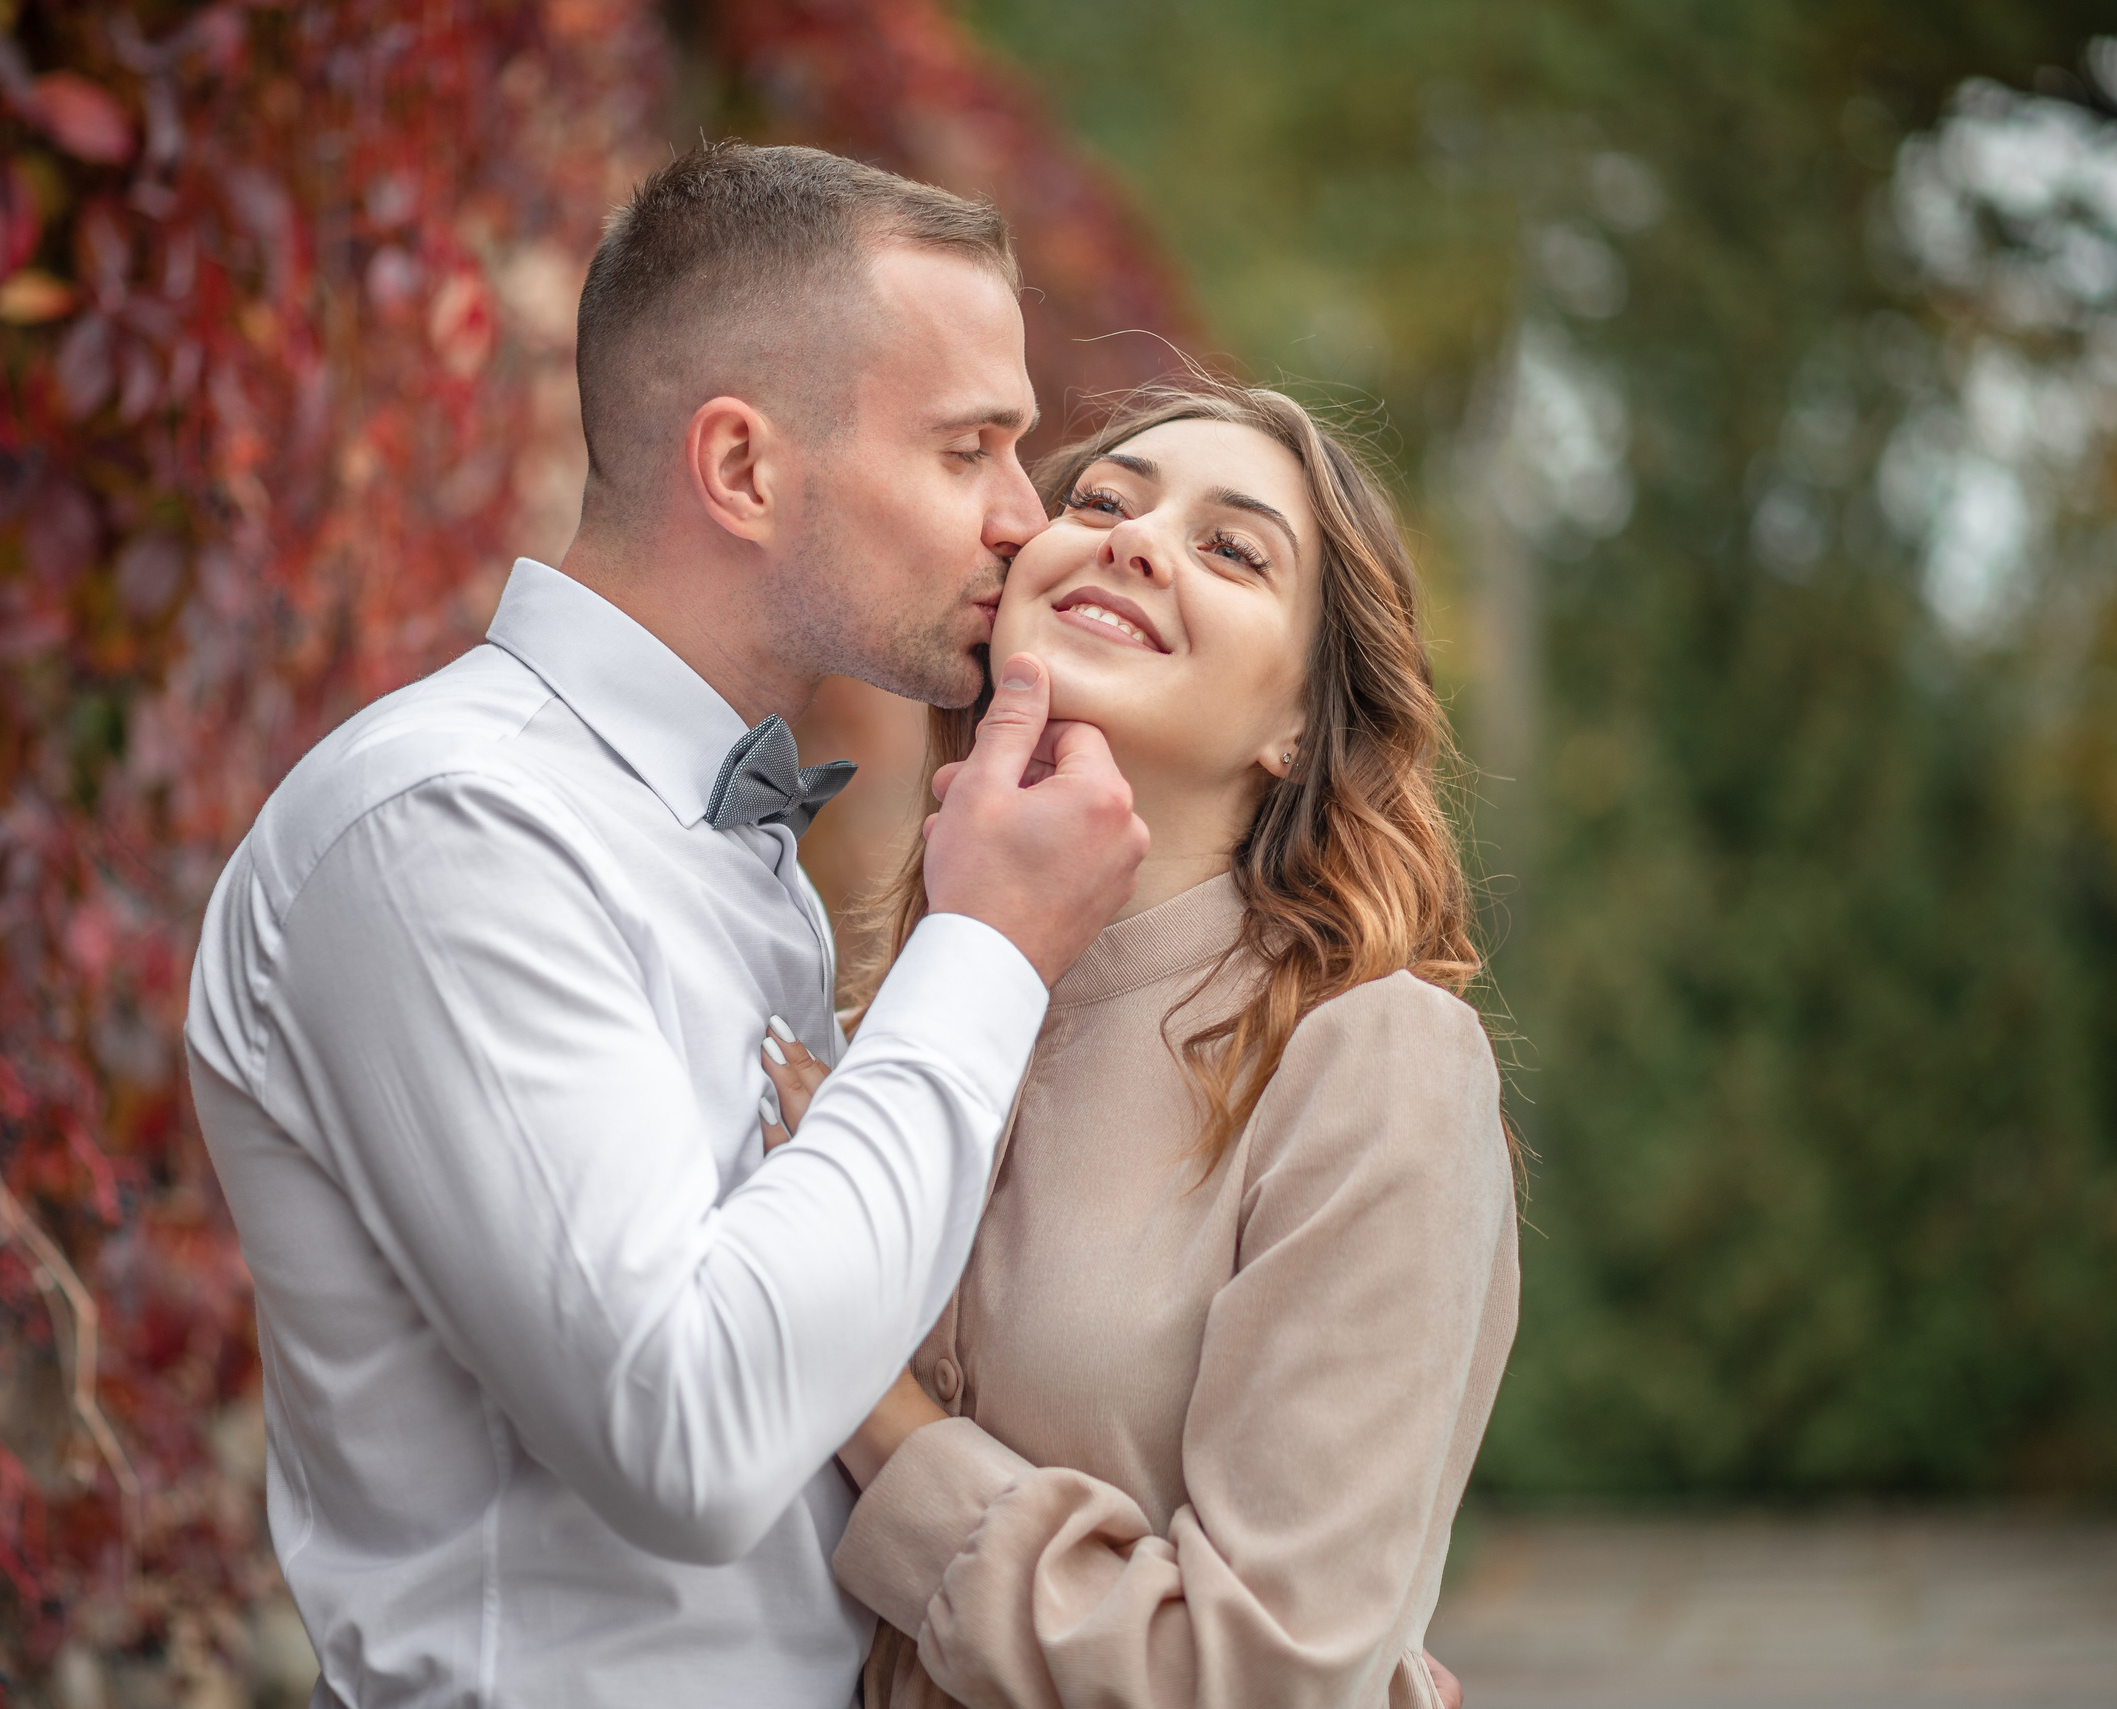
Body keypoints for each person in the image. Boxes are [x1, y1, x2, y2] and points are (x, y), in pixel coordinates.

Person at [183, 142, 1147, 1707]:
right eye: (972, 448)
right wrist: (989, 951)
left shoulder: (721, 834)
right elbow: (688, 1434)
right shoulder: (447, 827)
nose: (1025, 522)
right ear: (744, 469)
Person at [758, 377, 1519, 1709]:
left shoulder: (1377, 1060)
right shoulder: (892, 1034)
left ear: (1300, 725)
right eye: (1101, 501)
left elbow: (1261, 1674)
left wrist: (877, 1411)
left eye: (1234, 549)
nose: (1130, 538)